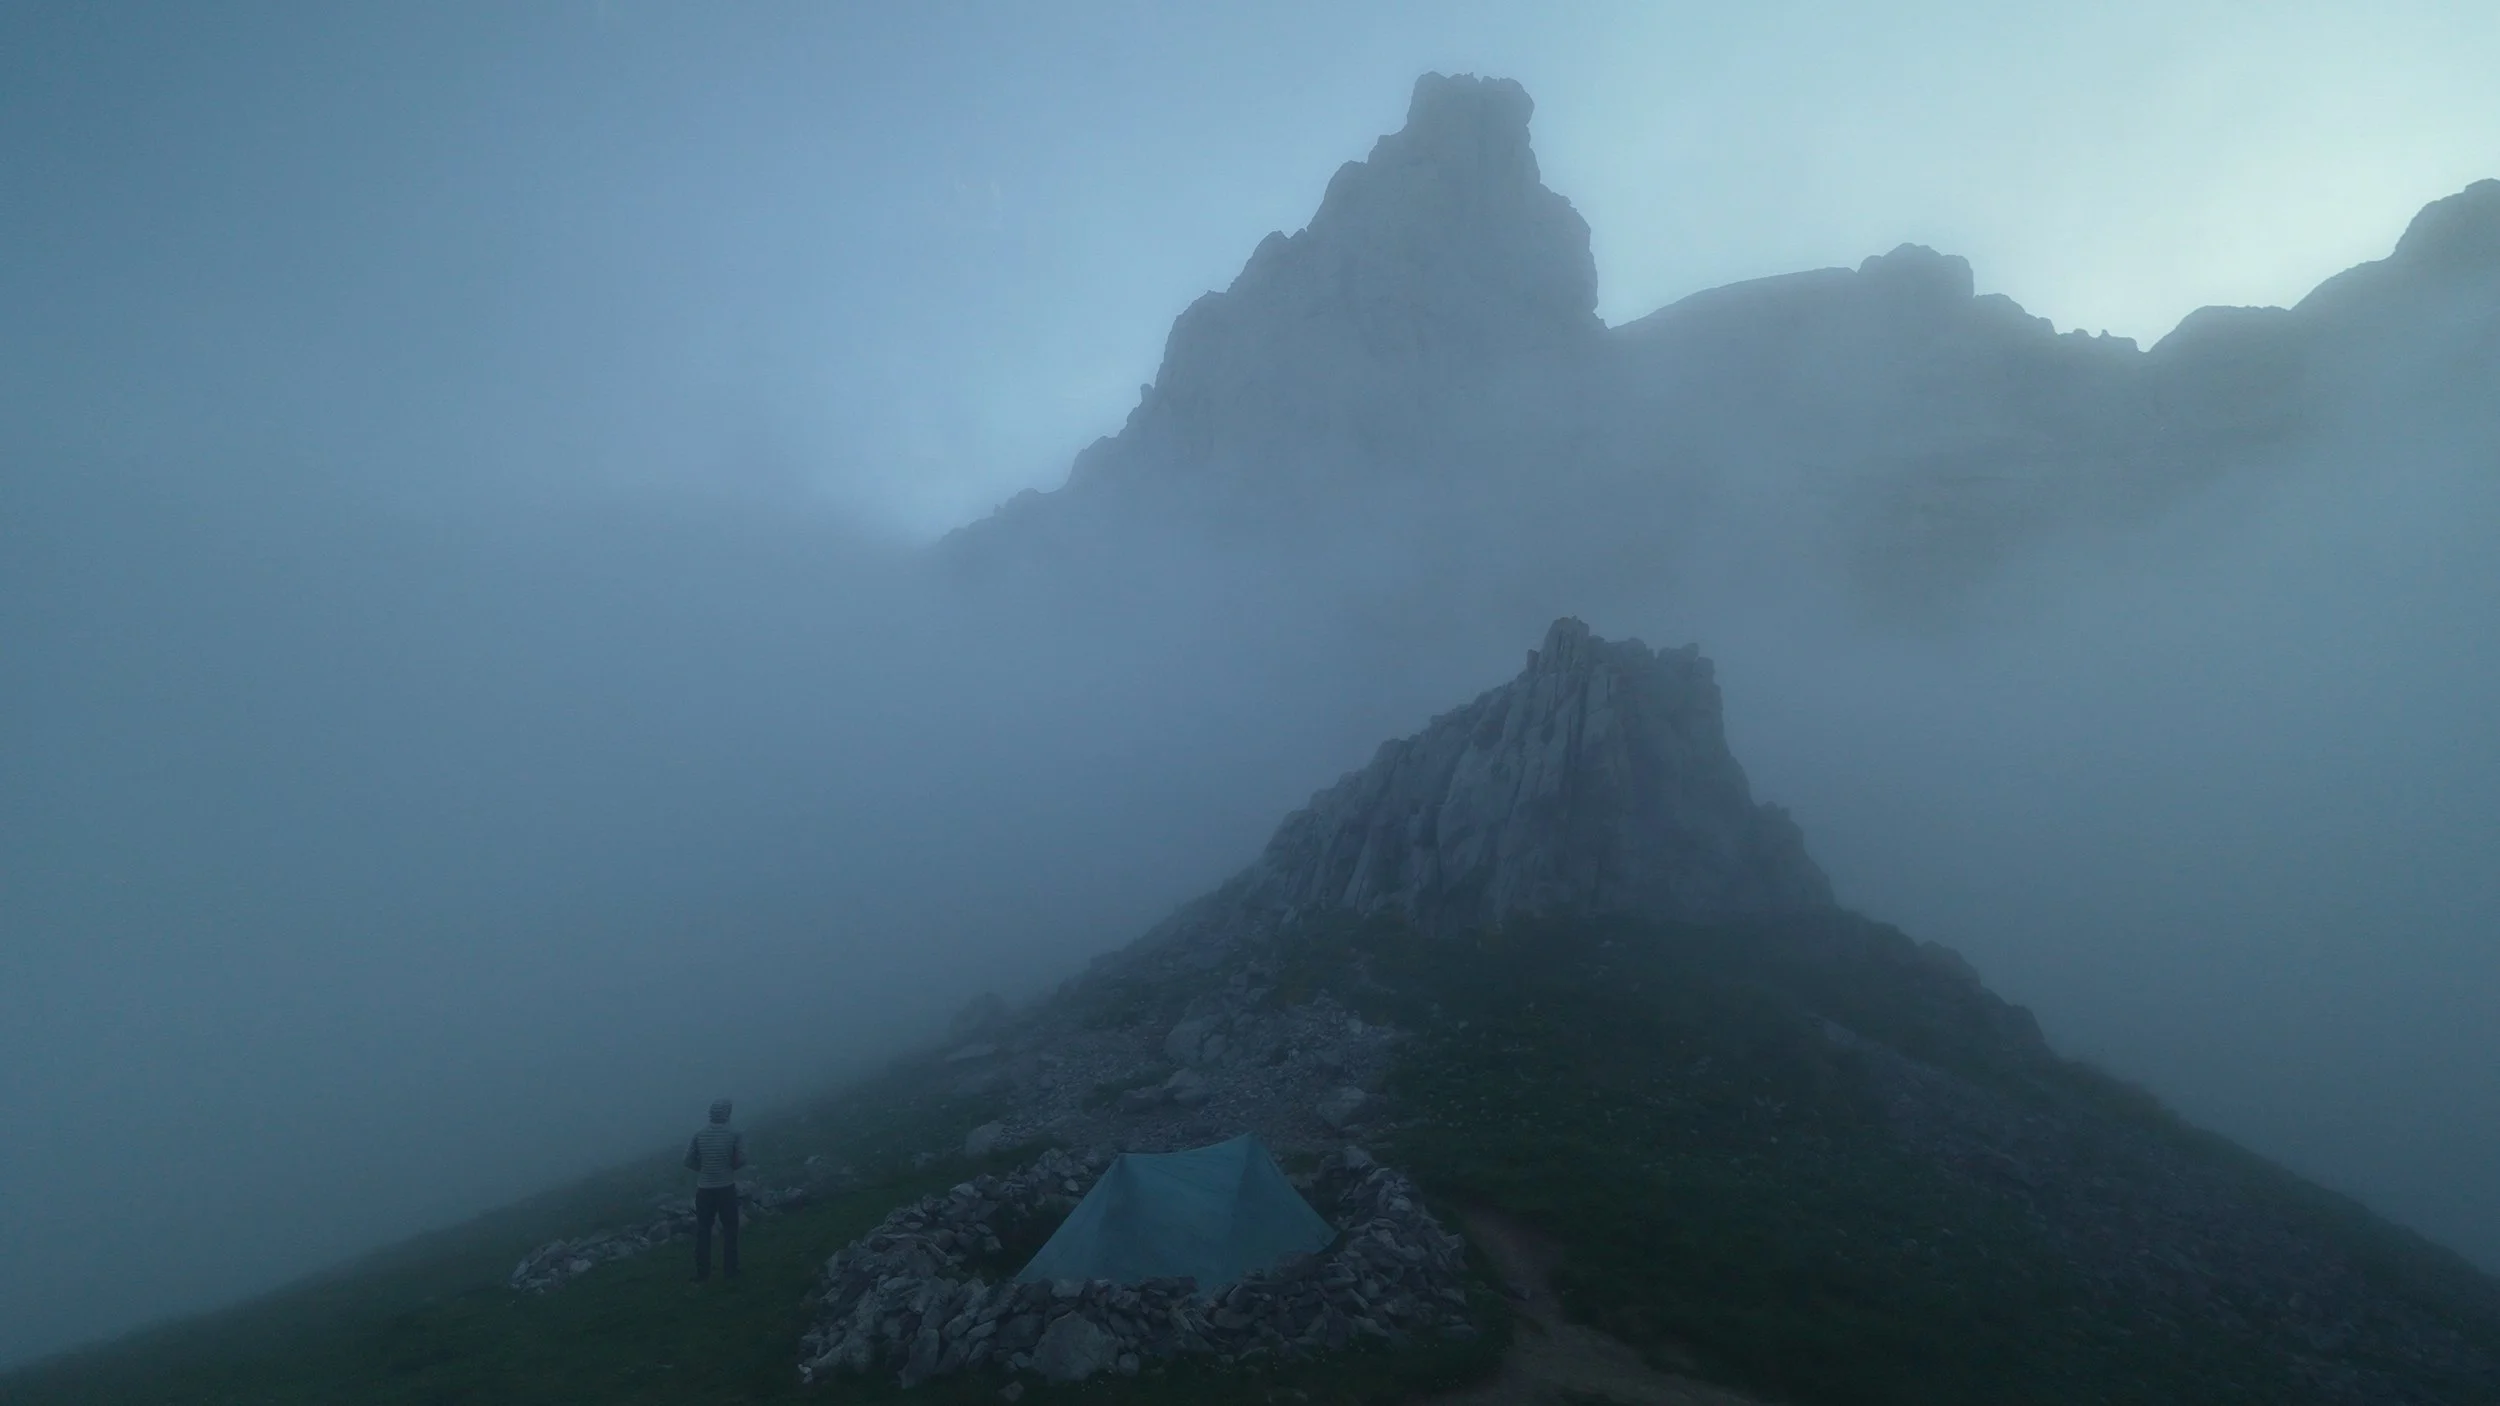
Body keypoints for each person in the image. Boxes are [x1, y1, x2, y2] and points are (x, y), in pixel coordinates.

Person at [684, 1097, 745, 1281]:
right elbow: (740, 1160)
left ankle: (702, 1274)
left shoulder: (699, 1134)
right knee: (730, 1229)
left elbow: (688, 1160)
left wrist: (704, 1170)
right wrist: (727, 1167)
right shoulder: (734, 1134)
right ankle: (731, 1271)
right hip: (726, 1188)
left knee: (703, 1231)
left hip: (704, 1189)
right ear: (727, 1114)